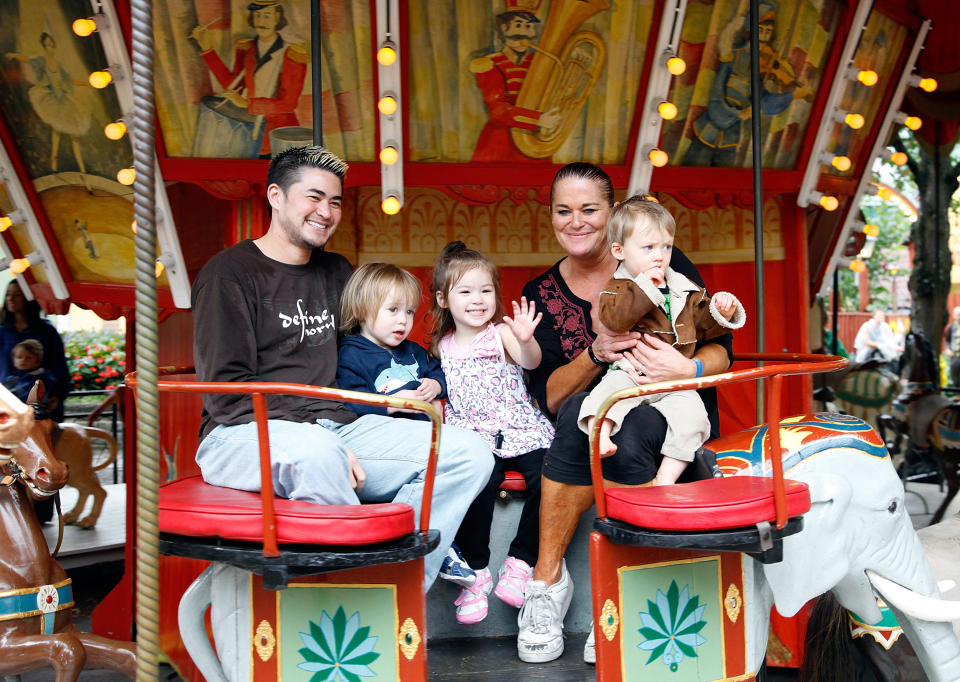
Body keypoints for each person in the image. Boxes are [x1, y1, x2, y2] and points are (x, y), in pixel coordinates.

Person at [190, 145, 493, 588]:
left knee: (468, 453)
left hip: (336, 426)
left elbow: (368, 346)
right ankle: (352, 586)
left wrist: (411, 386)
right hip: (240, 431)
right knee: (316, 457)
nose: (326, 211)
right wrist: (319, 437)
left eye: (334, 201)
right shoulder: (230, 275)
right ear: (276, 196)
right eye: (313, 197)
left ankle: (397, 578)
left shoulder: (336, 272)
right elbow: (227, 395)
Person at [516, 163, 734, 664]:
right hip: (598, 408)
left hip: (675, 401)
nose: (576, 221)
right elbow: (547, 396)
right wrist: (597, 351)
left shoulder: (665, 257)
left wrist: (687, 365)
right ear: (550, 216)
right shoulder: (542, 294)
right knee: (576, 416)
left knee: (628, 431)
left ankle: (618, 594)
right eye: (563, 211)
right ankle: (547, 582)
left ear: (612, 215)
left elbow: (723, 350)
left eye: (589, 209)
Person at [428, 242, 555, 625]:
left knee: (548, 475)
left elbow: (529, 360)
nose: (477, 299)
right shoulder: (441, 347)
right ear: (443, 299)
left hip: (520, 429)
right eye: (465, 291)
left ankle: (521, 561)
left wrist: (526, 339)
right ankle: (476, 572)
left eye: (485, 290)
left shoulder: (501, 334)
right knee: (477, 484)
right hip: (475, 437)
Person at [578, 197, 745, 471]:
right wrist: (646, 287)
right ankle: (601, 436)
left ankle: (666, 479)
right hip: (631, 371)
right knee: (605, 396)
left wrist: (720, 314)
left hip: (673, 382)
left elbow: (703, 326)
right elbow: (616, 319)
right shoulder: (619, 287)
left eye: (666, 247)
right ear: (619, 251)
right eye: (648, 248)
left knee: (695, 421)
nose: (660, 255)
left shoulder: (683, 286)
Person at [684, 1, 811, 167]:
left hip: (730, 141)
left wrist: (792, 95)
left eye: (768, 32)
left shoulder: (760, 69)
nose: (764, 37)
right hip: (707, 133)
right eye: (760, 31)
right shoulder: (733, 57)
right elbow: (715, 101)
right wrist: (739, 114)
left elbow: (764, 103)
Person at [191, 0, 307, 156]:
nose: (261, 22)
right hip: (249, 133)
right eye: (257, 15)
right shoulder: (247, 48)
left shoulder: (292, 55)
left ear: (277, 18)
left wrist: (247, 103)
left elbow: (288, 103)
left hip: (278, 138)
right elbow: (232, 85)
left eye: (267, 16)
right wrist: (206, 46)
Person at [336, 262, 446, 420]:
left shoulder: (412, 350)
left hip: (425, 432)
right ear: (360, 310)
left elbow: (440, 371)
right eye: (393, 309)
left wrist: (436, 385)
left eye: (409, 312)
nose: (403, 320)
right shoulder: (351, 355)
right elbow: (352, 403)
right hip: (385, 433)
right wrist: (392, 403)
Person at [470, 0, 560, 162]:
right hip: (500, 144)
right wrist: (538, 119)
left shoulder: (542, 62)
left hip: (535, 143)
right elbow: (498, 111)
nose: (525, 33)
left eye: (529, 26)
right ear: (504, 29)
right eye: (519, 25)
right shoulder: (489, 63)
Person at [0, 281, 71, 421]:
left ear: (29, 297)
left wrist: (56, 395)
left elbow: (59, 367)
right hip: (7, 403)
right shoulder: (2, 331)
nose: (10, 299)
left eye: (17, 295)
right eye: (8, 295)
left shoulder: (46, 331)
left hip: (39, 403)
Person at [3, 339, 60, 408]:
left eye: (28, 358)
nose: (23, 360)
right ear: (14, 362)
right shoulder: (11, 379)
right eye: (19, 357)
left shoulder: (43, 378)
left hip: (35, 411)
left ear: (37, 361)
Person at [943, 306, 960, 386]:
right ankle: (957, 396)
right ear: (954, 315)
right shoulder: (951, 327)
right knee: (955, 377)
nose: (959, 316)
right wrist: (947, 349)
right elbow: (947, 341)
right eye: (958, 314)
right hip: (955, 356)